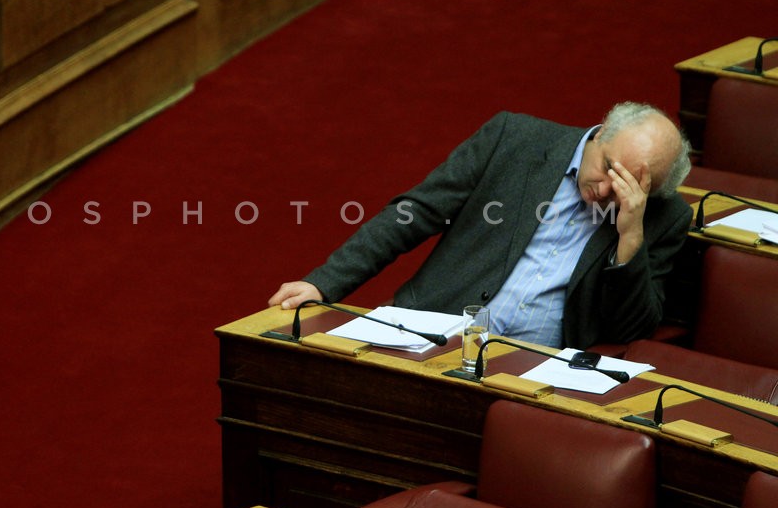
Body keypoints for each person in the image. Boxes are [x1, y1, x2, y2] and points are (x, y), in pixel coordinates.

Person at [268, 103, 694, 349]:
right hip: (434, 331)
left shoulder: (663, 217)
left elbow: (631, 333)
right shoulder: (515, 139)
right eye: (607, 170)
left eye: (625, 189)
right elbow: (416, 212)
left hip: (532, 371)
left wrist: (630, 237)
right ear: (599, 133)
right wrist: (326, 284)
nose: (604, 191)